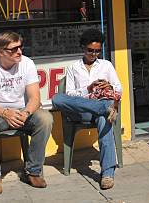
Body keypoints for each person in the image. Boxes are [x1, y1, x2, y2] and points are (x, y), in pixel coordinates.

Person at [0, 31, 54, 197]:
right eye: (14, 49)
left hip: (21, 113)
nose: (19, 51)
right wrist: (5, 113)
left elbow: (35, 98)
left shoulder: (27, 63)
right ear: (1, 52)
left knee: (45, 118)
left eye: (21, 46)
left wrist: (25, 113)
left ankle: (33, 171)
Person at [51, 29, 122, 190]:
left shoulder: (106, 65)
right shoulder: (73, 67)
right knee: (57, 98)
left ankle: (108, 174)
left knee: (104, 119)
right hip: (82, 110)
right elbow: (69, 94)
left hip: (101, 113)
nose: (94, 54)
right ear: (83, 47)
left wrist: (109, 85)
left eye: (97, 51)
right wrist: (88, 89)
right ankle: (103, 107)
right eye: (90, 50)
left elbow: (119, 89)